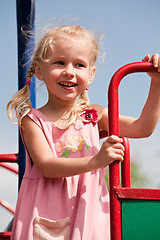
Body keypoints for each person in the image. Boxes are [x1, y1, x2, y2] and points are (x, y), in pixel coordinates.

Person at [7, 25, 160, 240]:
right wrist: (96, 161)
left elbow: (142, 128)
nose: (69, 71)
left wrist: (156, 84)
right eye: (60, 62)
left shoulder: (94, 115)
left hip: (89, 211)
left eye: (79, 65)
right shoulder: (33, 120)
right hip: (46, 213)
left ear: (91, 75)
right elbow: (47, 166)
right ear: (40, 70)